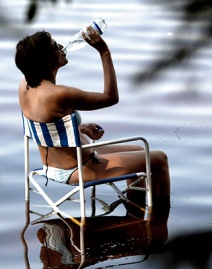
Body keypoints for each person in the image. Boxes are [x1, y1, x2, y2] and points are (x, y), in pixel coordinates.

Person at [15, 26, 170, 207]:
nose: (62, 46)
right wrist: (104, 52)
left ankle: (136, 209)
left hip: (52, 166)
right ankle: (159, 221)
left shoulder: (25, 84)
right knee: (159, 159)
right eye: (56, 46)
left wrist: (78, 128)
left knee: (139, 150)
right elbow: (110, 98)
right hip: (79, 167)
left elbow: (45, 122)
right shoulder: (59, 94)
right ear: (47, 61)